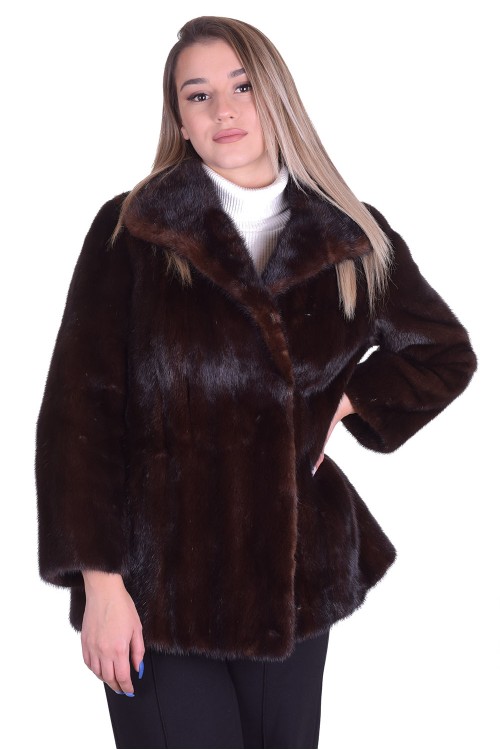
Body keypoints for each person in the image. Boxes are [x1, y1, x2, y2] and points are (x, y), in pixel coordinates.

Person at [35, 15, 477, 750]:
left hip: (292, 580)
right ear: (179, 118)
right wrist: (100, 586)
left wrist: (346, 401)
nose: (224, 110)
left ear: (275, 94)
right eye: (198, 95)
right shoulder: (132, 231)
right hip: (156, 583)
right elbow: (77, 416)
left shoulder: (353, 235)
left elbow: (443, 354)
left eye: (241, 86)